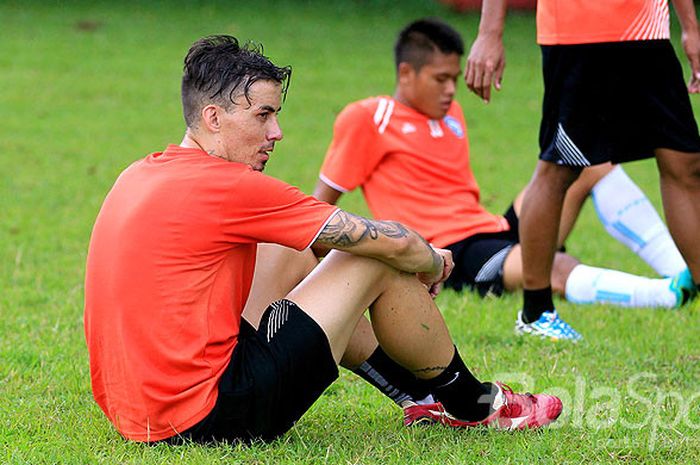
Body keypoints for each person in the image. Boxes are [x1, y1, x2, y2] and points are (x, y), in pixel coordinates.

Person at [83, 35, 563, 444]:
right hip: (208, 417)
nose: (277, 132)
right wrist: (434, 262)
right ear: (213, 117)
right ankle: (471, 403)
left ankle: (418, 397)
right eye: (263, 116)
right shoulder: (228, 187)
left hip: (138, 414)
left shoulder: (142, 171)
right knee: (370, 259)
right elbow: (388, 243)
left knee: (289, 246)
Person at [314, 18, 694, 344]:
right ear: (405, 73)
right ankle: (666, 294)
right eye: (440, 79)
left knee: (592, 165)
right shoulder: (368, 117)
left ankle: (683, 268)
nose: (450, 90)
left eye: (455, 79)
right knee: (552, 268)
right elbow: (322, 208)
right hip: (453, 252)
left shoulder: (452, 115)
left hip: (493, 226)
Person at [465, 0, 700, 340]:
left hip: (647, 29)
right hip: (577, 34)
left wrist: (690, 27)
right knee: (560, 168)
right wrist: (489, 33)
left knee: (686, 162)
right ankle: (536, 312)